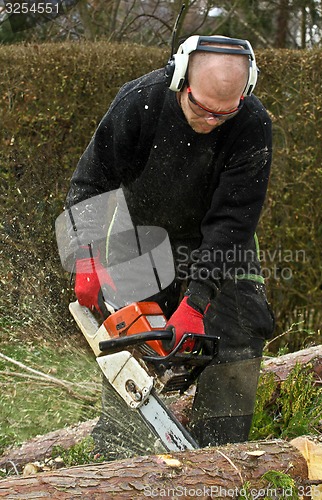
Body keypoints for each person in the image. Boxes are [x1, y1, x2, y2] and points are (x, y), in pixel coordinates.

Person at [65, 34, 275, 454]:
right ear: (180, 79)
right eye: (202, 108)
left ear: (244, 92)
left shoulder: (252, 125)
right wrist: (84, 258)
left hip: (219, 240)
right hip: (143, 233)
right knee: (129, 333)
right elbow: (91, 183)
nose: (212, 121)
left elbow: (232, 220)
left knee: (240, 329)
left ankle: (222, 457)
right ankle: (120, 450)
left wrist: (197, 301)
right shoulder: (138, 104)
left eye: (224, 112)